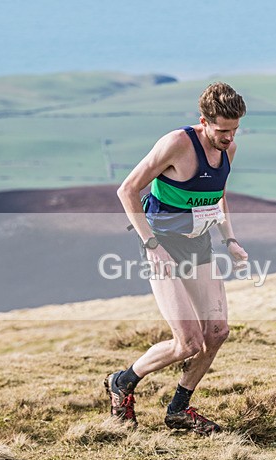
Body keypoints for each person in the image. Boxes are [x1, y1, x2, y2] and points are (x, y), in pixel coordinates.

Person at [106, 82, 248, 435]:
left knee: (217, 332)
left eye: (234, 130)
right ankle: (122, 382)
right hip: (164, 247)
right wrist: (152, 245)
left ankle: (179, 409)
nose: (229, 138)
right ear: (203, 121)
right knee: (187, 343)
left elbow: (218, 196)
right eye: (222, 130)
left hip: (200, 246)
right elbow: (127, 190)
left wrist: (230, 240)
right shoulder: (177, 145)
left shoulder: (227, 149)